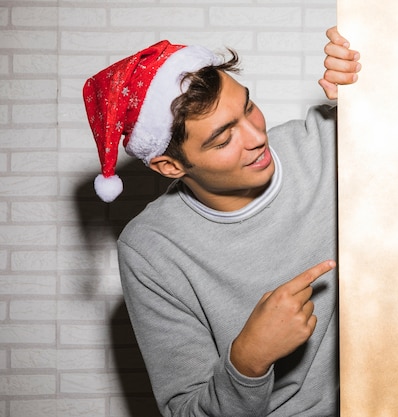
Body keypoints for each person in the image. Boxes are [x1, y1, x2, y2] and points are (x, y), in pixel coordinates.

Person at [82, 27, 360, 416]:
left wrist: (371, 83)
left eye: (248, 108)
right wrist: (248, 360)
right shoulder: (151, 250)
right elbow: (186, 411)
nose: (256, 137)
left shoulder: (326, 142)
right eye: (223, 139)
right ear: (171, 166)